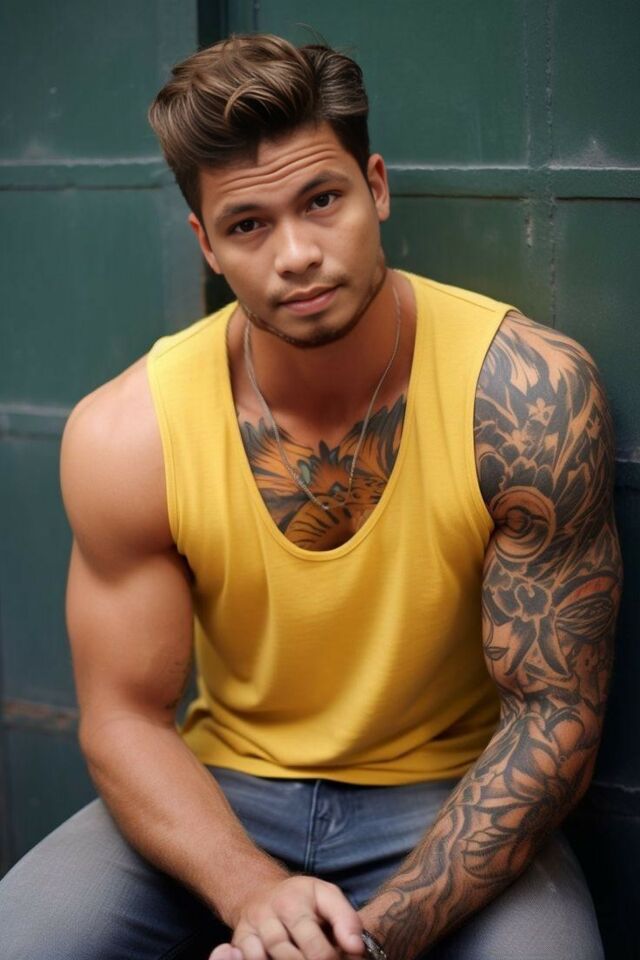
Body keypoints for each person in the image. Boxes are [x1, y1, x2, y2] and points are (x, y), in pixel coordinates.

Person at [0, 33, 621, 960]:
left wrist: (364, 942)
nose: (295, 254)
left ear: (376, 188)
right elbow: (124, 718)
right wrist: (252, 894)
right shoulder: (130, 433)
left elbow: (554, 716)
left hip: (452, 803)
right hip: (221, 795)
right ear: (207, 245)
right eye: (248, 225)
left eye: (321, 201)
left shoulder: (525, 396)